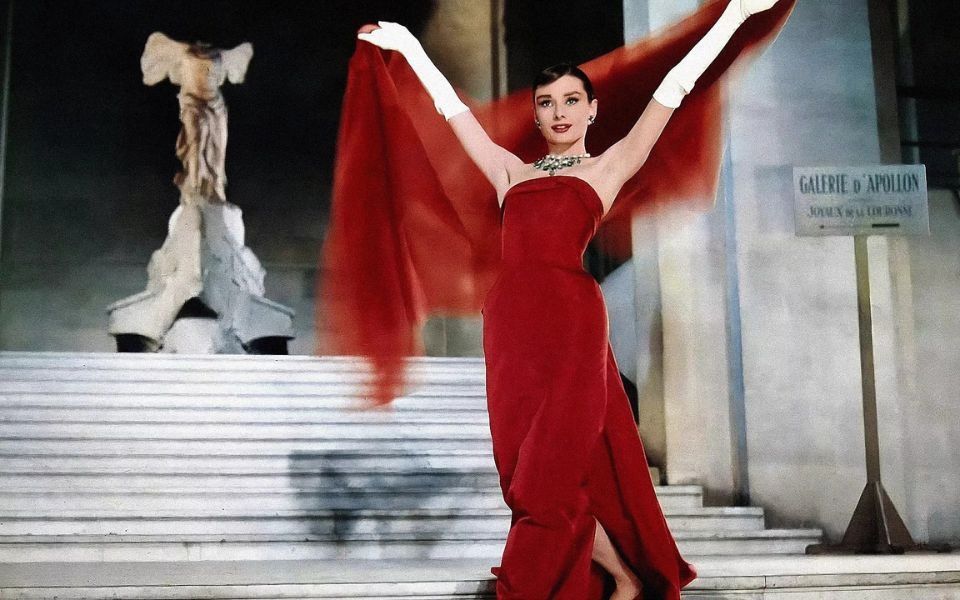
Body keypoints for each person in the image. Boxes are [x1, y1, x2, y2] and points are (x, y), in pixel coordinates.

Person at [356, 1, 782, 598]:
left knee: (547, 479)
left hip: (572, 325)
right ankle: (623, 577)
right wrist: (409, 47)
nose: (559, 113)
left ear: (592, 109)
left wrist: (734, 14)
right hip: (509, 327)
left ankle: (549, 585)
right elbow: (453, 112)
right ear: (536, 113)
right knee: (523, 477)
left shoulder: (607, 168)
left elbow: (675, 86)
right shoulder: (510, 173)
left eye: (571, 101)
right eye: (547, 102)